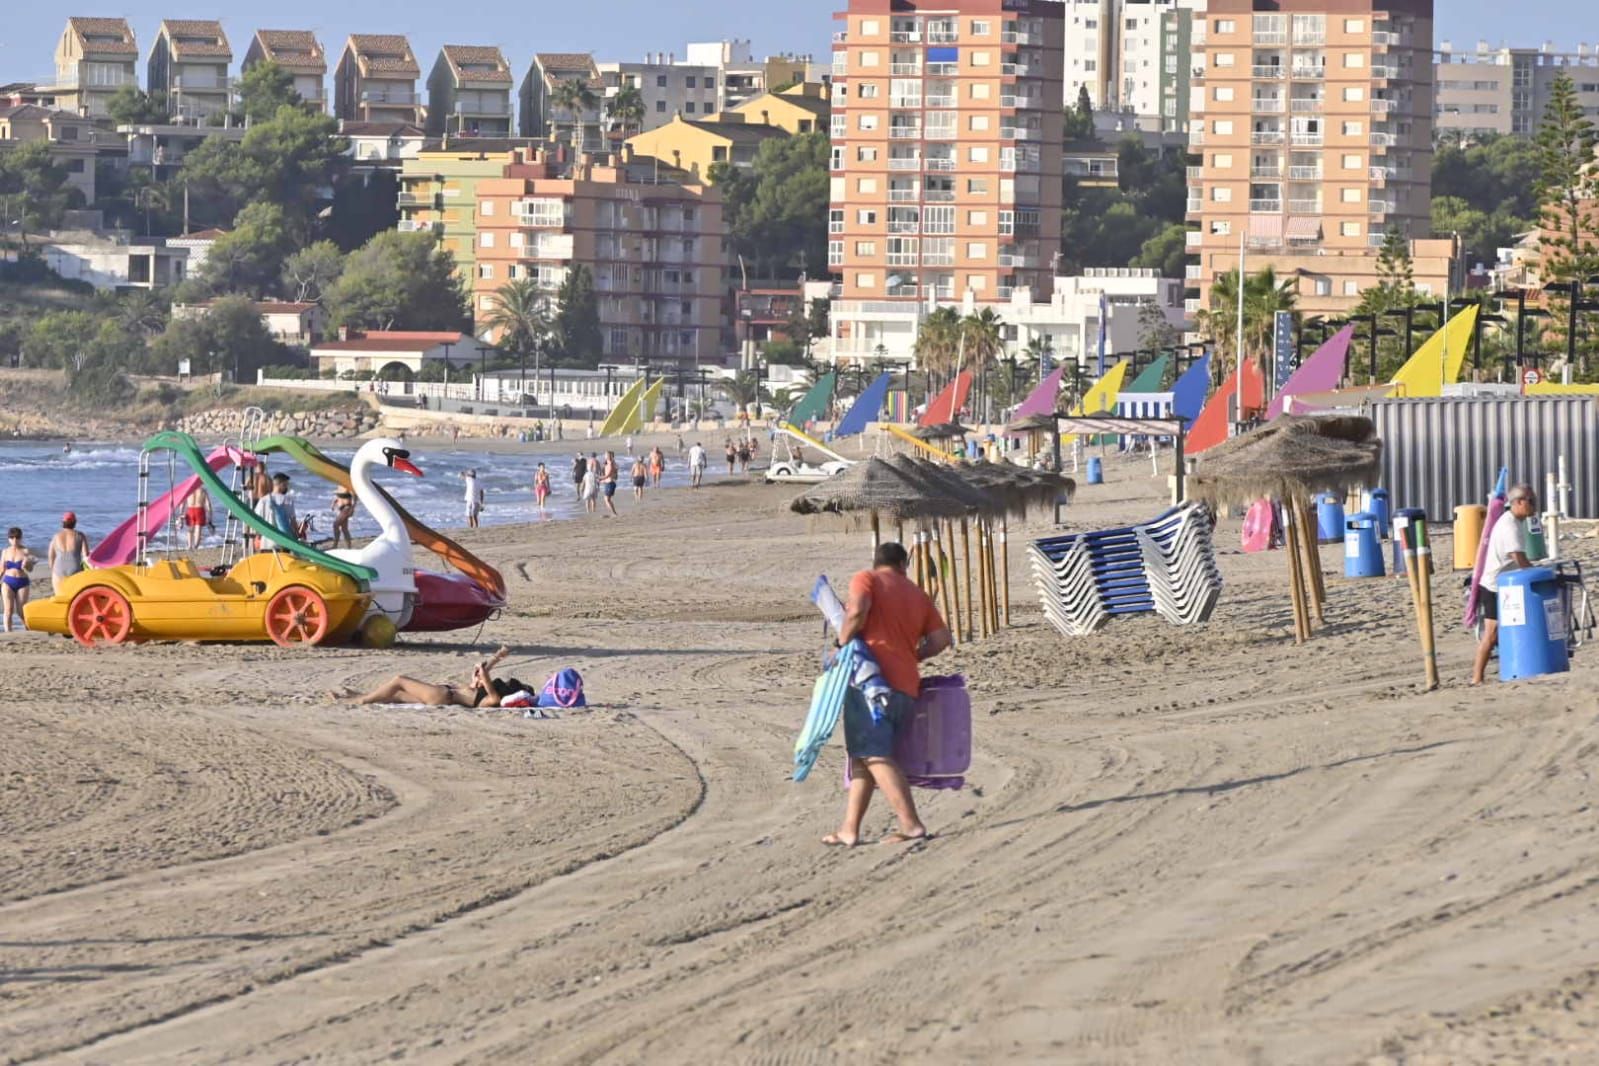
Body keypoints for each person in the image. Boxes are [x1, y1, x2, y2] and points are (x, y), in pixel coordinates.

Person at [824, 541, 953, 847]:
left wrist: (840, 645)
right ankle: (849, 829)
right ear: (903, 565)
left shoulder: (866, 578)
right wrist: (913, 657)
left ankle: (911, 824)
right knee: (862, 757)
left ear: (876, 561)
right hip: (907, 687)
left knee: (874, 754)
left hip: (871, 685)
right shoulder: (917, 594)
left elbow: (856, 612)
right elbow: (941, 638)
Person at [1472, 484, 1540, 686]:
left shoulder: (1514, 522)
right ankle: (1477, 678)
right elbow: (1518, 557)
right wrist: (1535, 572)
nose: (1534, 506)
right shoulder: (1509, 525)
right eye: (1531, 501)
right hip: (1494, 586)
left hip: (1505, 583)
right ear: (1519, 502)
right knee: (1491, 635)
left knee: (1510, 629)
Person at [330, 658, 531, 708]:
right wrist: (494, 661)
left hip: (444, 696)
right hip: (444, 694)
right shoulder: (482, 690)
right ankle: (354, 696)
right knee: (396, 695)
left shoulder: (491, 699)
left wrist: (485, 675)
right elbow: (479, 678)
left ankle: (360, 700)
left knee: (399, 680)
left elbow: (493, 695)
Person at [2, 527, 38, 632]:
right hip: (7, 582)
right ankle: (8, 633)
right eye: (12, 537)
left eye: (17, 538)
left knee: (21, 611)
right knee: (8, 610)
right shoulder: (5, 552)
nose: (14, 540)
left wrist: (27, 564)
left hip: (22, 583)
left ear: (21, 538)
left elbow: (30, 570)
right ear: (9, 538)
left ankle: (29, 630)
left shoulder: (25, 551)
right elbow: (2, 569)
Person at [254, 474, 304, 543]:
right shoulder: (287, 500)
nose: (287, 488)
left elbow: (257, 520)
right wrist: (298, 535)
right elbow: (293, 522)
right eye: (286, 485)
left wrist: (258, 537)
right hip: (283, 541)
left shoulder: (263, 500)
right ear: (281, 485)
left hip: (265, 540)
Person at [49, 513, 92, 587]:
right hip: (75, 568)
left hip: (59, 568)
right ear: (75, 522)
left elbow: (51, 556)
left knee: (59, 596)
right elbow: (86, 555)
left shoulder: (56, 536)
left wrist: (53, 570)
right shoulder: (80, 535)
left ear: (63, 522)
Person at [184, 484, 212, 551]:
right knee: (198, 529)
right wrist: (210, 516)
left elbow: (183, 503)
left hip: (190, 510)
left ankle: (189, 546)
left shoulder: (188, 491)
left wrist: (181, 513)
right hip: (199, 510)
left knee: (190, 528)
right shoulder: (203, 491)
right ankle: (195, 546)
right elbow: (208, 504)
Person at [600, 450, 620, 516]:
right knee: (606, 500)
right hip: (607, 482)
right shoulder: (607, 463)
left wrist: (600, 479)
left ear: (610, 456)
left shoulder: (611, 463)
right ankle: (613, 513)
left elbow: (609, 474)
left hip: (610, 483)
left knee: (607, 499)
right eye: (605, 454)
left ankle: (614, 513)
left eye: (606, 455)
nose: (605, 456)